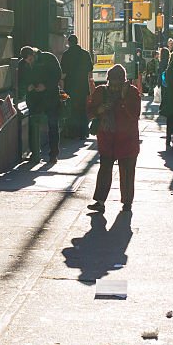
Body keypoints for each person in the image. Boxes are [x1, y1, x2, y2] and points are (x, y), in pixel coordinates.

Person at [86, 64, 141, 214]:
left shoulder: (131, 92)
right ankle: (100, 201)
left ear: (124, 80)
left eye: (118, 81)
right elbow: (89, 112)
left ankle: (127, 202)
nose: (115, 85)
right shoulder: (101, 91)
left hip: (127, 139)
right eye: (112, 81)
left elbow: (134, 115)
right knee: (105, 169)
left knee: (128, 172)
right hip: (107, 138)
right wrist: (99, 110)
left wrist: (123, 101)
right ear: (108, 79)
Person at [20, 45, 62, 164]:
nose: (29, 63)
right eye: (27, 61)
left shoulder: (48, 58)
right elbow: (21, 80)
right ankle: (34, 152)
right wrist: (28, 87)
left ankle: (53, 154)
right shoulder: (23, 64)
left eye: (31, 60)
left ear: (34, 54)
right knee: (33, 125)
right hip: (34, 99)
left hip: (50, 97)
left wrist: (46, 86)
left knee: (53, 125)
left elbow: (57, 75)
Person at [61, 34, 94, 140]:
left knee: (71, 109)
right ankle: (83, 132)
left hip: (70, 86)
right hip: (82, 86)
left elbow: (63, 70)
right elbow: (90, 67)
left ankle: (72, 132)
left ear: (69, 43)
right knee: (82, 109)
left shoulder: (66, 54)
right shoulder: (85, 54)